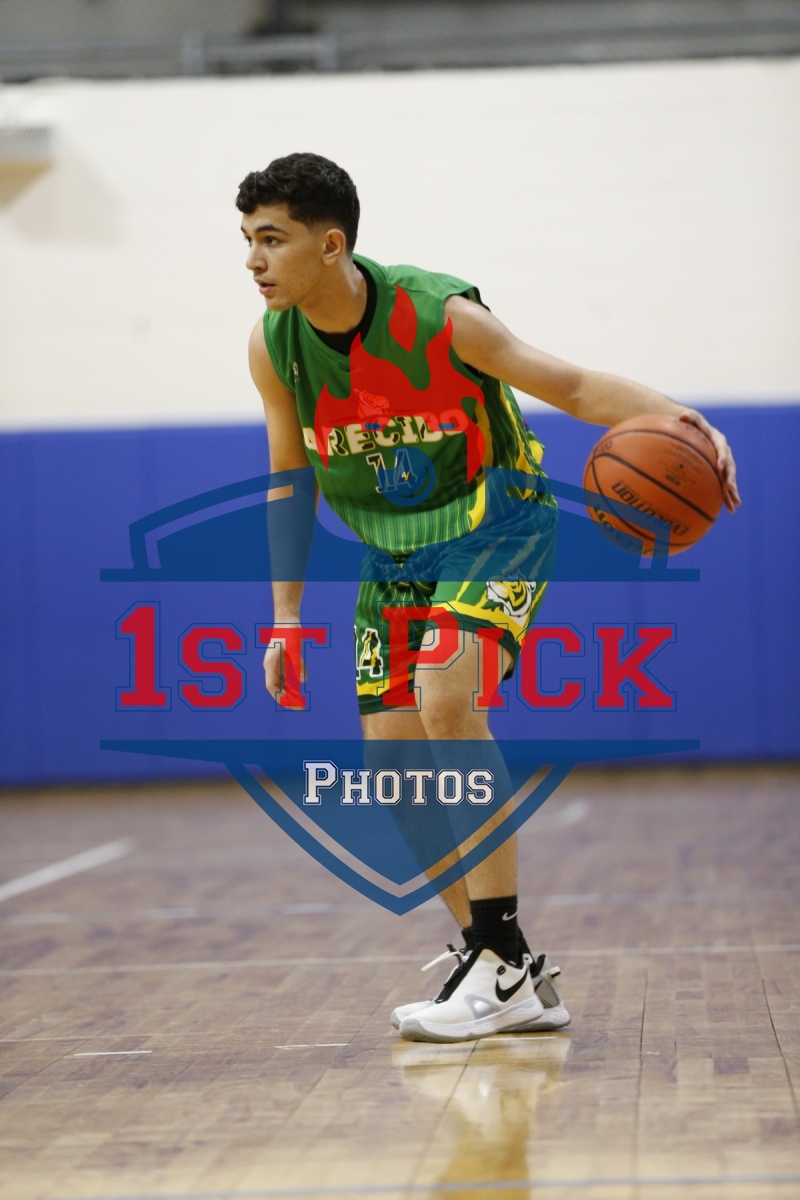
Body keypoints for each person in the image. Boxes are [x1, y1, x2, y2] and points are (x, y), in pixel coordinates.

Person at [238, 152, 739, 1044]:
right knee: (394, 762)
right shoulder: (273, 346)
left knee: (445, 693)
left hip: (496, 524)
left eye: (271, 239)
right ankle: (502, 968)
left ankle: (501, 964)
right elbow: (290, 476)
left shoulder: (442, 317)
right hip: (394, 552)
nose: (253, 260)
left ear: (331, 244)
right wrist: (284, 616)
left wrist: (684, 421)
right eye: (247, 240)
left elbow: (573, 387)